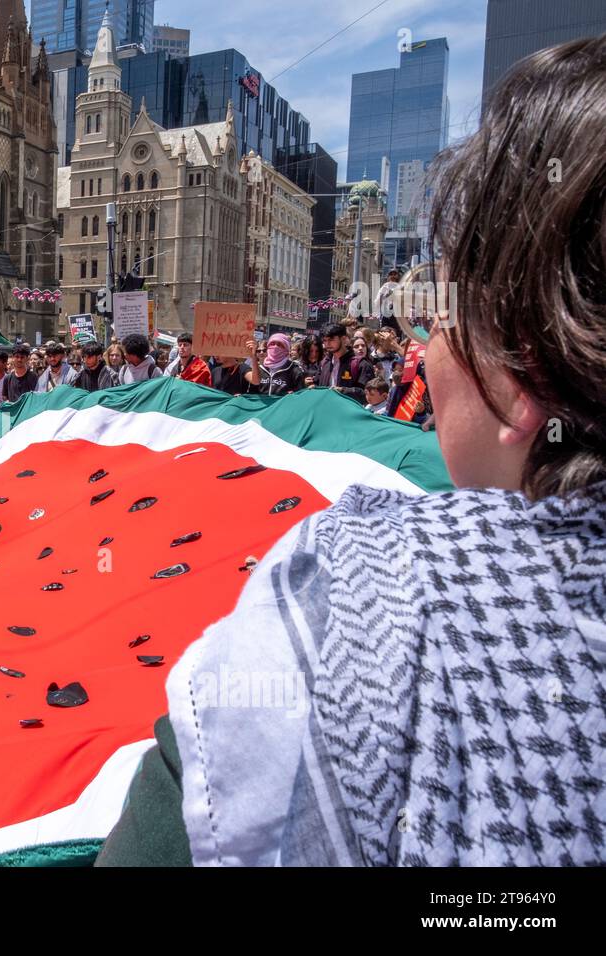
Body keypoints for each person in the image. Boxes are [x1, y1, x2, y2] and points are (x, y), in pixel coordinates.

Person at [96, 34, 606, 867]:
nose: (428, 352)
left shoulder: (362, 605)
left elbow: (166, 832)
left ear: (519, 378)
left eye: (442, 319)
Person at [317, 324, 373, 402]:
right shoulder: (324, 363)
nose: (327, 344)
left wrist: (343, 391)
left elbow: (368, 395)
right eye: (325, 340)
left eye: (331, 339)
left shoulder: (361, 364)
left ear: (343, 339)